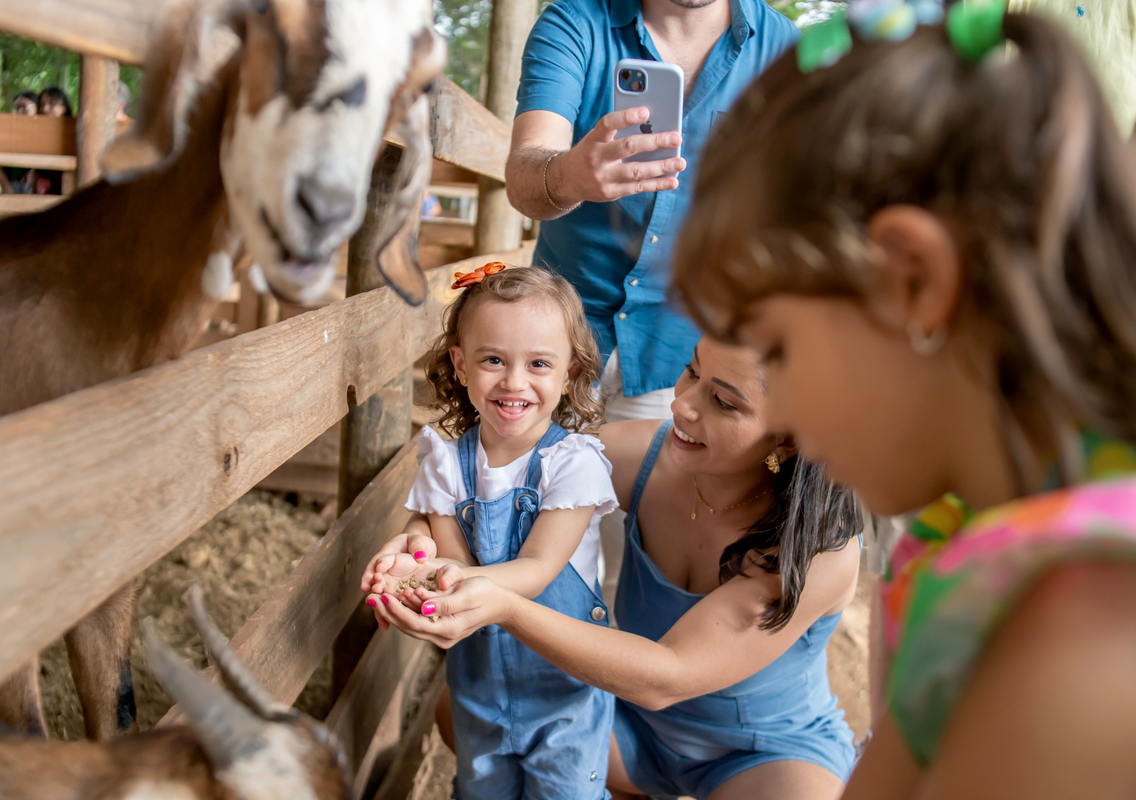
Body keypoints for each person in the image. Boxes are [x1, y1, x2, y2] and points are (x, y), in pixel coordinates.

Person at [669, 3, 1136, 797]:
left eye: (777, 350)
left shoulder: (1087, 632)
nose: (777, 415)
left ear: (912, 280)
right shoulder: (967, 526)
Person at [368, 335, 863, 800]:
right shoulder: (647, 454)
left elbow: (668, 676)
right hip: (625, 720)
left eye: (725, 402)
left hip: (762, 749)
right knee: (463, 717)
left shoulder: (821, 547)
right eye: (691, 372)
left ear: (790, 439)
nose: (681, 404)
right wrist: (419, 535)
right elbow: (488, 479)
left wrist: (505, 608)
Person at [506, 0, 802, 610]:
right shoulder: (575, 21)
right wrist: (569, 176)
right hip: (559, 346)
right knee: (529, 537)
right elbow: (524, 175)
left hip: (687, 363)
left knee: (644, 559)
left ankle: (619, 694)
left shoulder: (786, 51)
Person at [364, 264, 619, 800]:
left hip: (563, 691)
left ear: (570, 372)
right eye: (494, 359)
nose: (514, 382)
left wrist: (448, 579)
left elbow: (538, 569)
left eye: (539, 364)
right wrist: (418, 570)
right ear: (460, 364)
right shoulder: (444, 460)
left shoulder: (572, 464)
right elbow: (452, 561)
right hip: (477, 682)